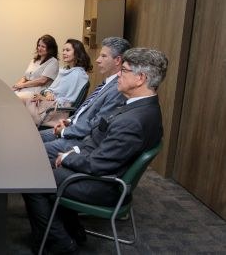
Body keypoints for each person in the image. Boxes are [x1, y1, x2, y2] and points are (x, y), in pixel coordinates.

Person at [23, 48, 168, 254]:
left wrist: (68, 157)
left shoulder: (133, 121)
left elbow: (98, 164)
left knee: (33, 179)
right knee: (40, 168)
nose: (118, 74)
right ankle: (73, 232)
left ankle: (59, 242)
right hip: (101, 170)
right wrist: (73, 151)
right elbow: (99, 141)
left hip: (103, 184)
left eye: (124, 70)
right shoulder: (141, 107)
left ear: (140, 78)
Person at [40, 37, 130, 161]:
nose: (98, 60)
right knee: (34, 138)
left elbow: (96, 125)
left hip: (80, 140)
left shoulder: (117, 89)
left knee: (34, 148)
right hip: (73, 127)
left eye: (103, 56)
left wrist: (65, 132)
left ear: (117, 60)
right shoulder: (107, 82)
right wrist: (69, 121)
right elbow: (86, 110)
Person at [25, 39, 92, 126]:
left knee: (23, 100)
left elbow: (68, 100)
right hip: (50, 104)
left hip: (57, 111)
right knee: (23, 100)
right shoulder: (63, 70)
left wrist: (45, 99)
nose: (64, 53)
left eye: (67, 50)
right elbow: (50, 90)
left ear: (77, 53)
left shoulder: (78, 74)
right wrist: (48, 94)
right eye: (63, 50)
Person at [13, 34, 59, 99]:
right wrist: (17, 85)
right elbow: (25, 77)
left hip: (38, 91)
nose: (39, 48)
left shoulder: (53, 62)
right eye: (39, 45)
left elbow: (42, 81)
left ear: (50, 49)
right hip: (26, 88)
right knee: (9, 94)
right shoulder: (34, 60)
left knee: (15, 99)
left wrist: (23, 85)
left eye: (43, 46)